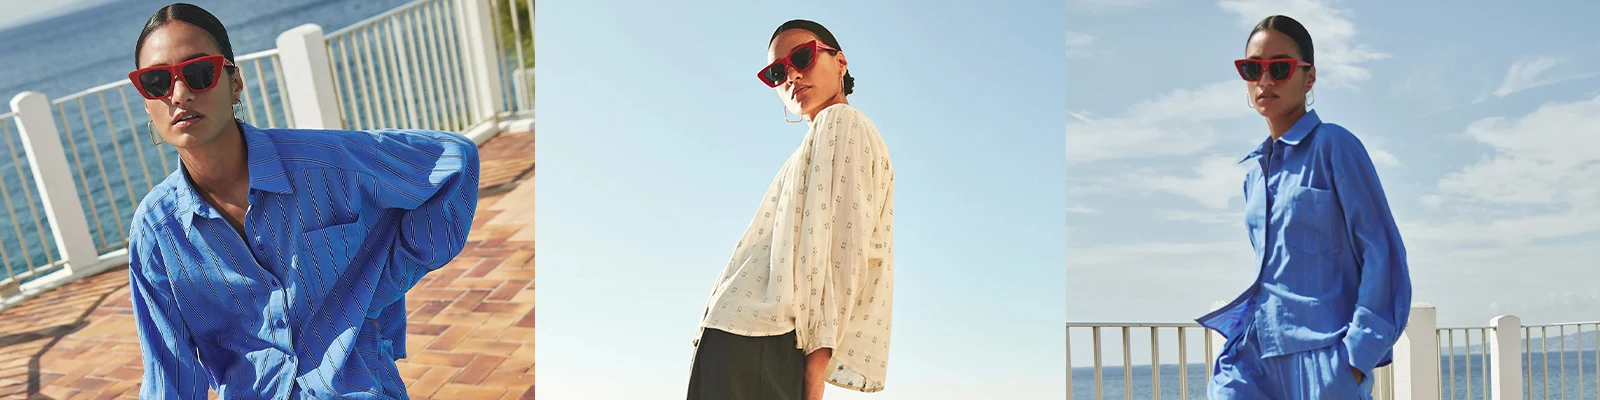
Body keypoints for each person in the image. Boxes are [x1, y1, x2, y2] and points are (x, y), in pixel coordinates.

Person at [124, 3, 479, 398]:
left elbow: (454, 161)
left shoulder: (323, 164)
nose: (179, 93)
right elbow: (169, 376)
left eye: (199, 72)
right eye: (156, 81)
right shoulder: (157, 232)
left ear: (235, 82)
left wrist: (378, 287)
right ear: (146, 101)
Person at [1196, 14, 1412, 399]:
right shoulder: (1254, 174)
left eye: (1279, 68)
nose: (1265, 80)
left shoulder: (1334, 146)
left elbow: (1382, 254)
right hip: (1254, 356)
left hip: (1323, 358)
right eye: (1253, 69)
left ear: (1308, 77)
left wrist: (1355, 359)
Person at [686, 19, 896, 400]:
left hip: (760, 343)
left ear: (840, 62)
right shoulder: (817, 141)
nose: (792, 76)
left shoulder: (842, 122)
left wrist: (815, 369)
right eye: (777, 72)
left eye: (802, 57)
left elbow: (842, 251)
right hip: (747, 341)